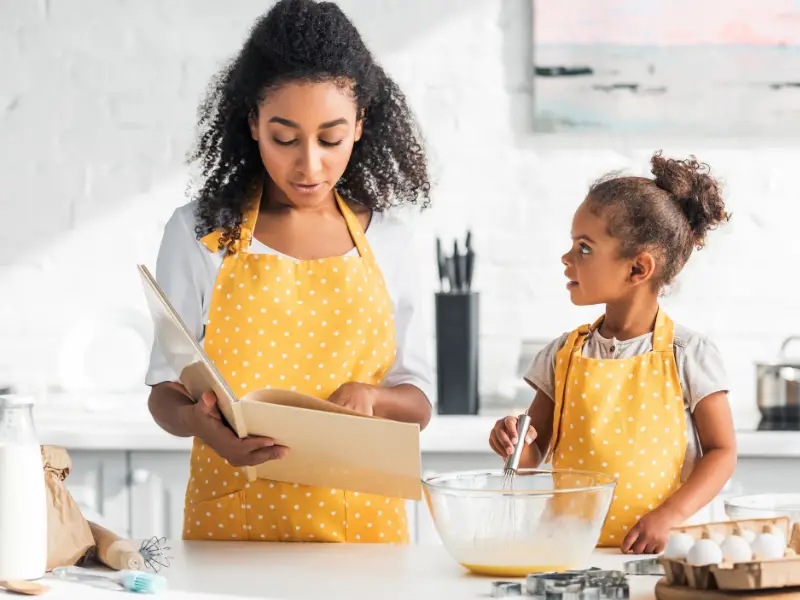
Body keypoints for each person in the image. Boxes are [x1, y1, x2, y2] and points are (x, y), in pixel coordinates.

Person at [145, 0, 433, 544]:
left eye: (331, 138)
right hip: (231, 529)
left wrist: (373, 399)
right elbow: (165, 389)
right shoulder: (199, 234)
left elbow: (416, 403)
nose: (309, 165)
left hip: (362, 536)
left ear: (360, 124)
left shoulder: (390, 244)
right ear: (252, 122)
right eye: (284, 137)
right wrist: (199, 426)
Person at [489, 152, 736, 554]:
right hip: (569, 553)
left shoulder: (687, 354)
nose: (567, 259)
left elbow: (722, 452)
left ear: (638, 269)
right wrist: (513, 439)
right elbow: (531, 455)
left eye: (584, 248)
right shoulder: (562, 355)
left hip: (659, 556)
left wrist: (669, 515)